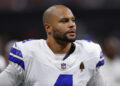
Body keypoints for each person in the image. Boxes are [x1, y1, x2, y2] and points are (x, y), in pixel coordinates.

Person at [0, 5, 106, 86]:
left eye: (72, 20)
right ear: (48, 28)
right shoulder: (29, 53)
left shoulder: (89, 52)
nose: (71, 24)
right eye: (64, 21)